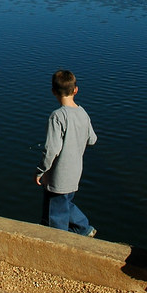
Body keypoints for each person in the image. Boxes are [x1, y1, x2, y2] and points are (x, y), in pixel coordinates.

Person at [35, 69, 98, 237]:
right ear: (75, 90)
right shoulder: (83, 113)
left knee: (55, 214)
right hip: (75, 173)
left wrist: (41, 170)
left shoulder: (57, 117)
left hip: (58, 176)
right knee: (65, 203)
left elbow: (51, 149)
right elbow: (92, 139)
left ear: (53, 92)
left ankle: (59, 242)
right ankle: (84, 228)